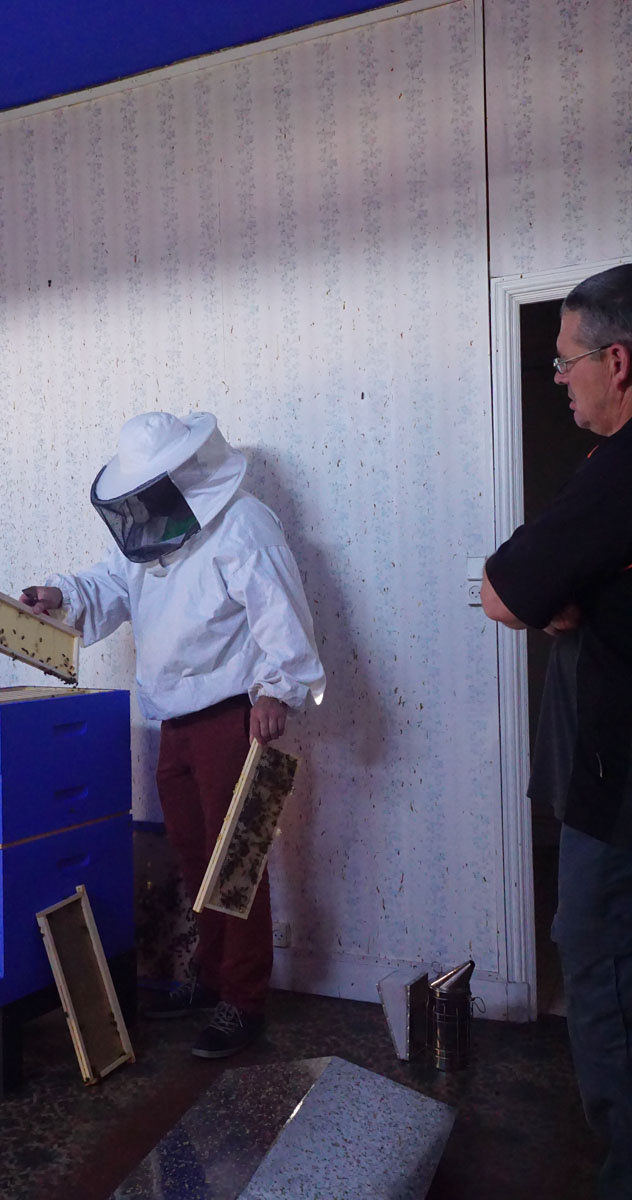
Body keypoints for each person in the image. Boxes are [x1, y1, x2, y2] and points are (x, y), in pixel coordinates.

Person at [21, 410, 325, 1059]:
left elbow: (280, 608)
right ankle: (213, 982)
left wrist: (278, 691)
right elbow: (108, 583)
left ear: (180, 478)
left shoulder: (244, 523)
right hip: (174, 719)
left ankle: (243, 1002)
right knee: (196, 858)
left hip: (236, 717)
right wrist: (60, 595)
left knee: (236, 861)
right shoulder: (145, 531)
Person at [481, 263, 632, 1199]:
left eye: (566, 362)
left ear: (619, 362)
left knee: (601, 964)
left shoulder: (620, 469)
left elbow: (504, 589)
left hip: (618, 792)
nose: (559, 379)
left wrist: (556, 595)